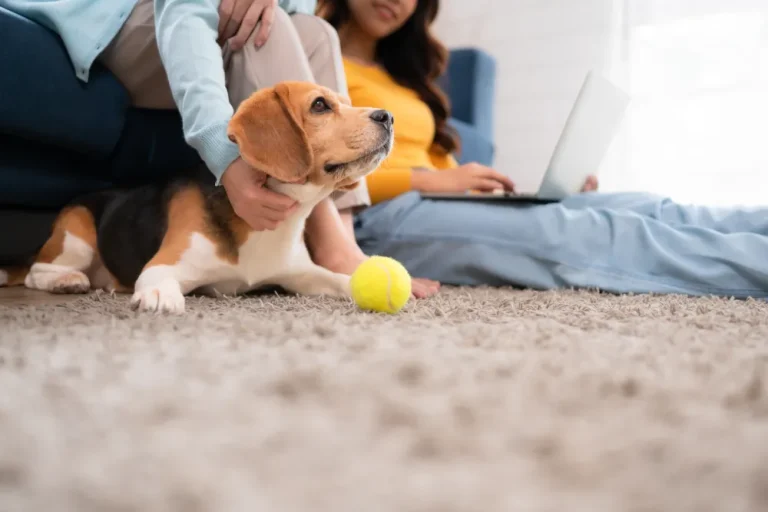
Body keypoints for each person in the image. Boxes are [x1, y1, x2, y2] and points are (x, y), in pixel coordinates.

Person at [317, 0, 768, 299]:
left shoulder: (405, 79)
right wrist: (430, 181)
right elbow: (319, 173)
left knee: (647, 206)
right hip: (372, 219)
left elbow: (437, 163)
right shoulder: (318, 58)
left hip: (432, 202)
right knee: (582, 230)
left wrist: (485, 190)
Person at [1, 0, 442, 296]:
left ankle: (338, 235)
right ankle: (331, 243)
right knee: (260, 31)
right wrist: (223, 153)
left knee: (313, 30)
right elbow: (185, 10)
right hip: (114, 18)